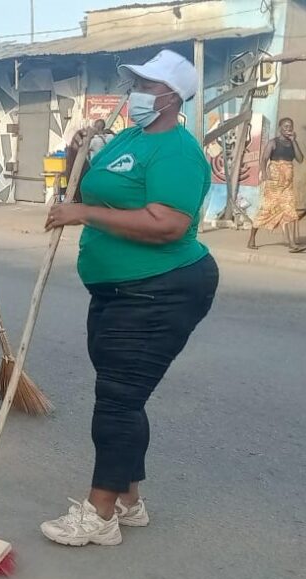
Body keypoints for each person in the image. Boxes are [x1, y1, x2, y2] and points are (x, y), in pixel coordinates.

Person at [39, 50, 219, 546]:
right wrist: (79, 154)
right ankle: (129, 500)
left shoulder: (178, 151)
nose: (133, 91)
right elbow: (95, 188)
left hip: (160, 290)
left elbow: (168, 224)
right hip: (118, 291)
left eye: (144, 84)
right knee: (123, 396)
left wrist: (84, 215)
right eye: (134, 81)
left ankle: (100, 516)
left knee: (117, 401)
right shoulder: (132, 137)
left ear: (168, 98)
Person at [247, 118, 306, 252]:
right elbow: (264, 159)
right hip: (274, 183)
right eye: (285, 126)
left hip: (287, 185)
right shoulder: (273, 143)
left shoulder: (293, 143)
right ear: (280, 127)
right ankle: (251, 239)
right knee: (266, 210)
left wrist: (294, 141)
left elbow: (300, 159)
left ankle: (292, 244)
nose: (288, 129)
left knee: (290, 211)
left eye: (290, 126)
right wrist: (264, 173)